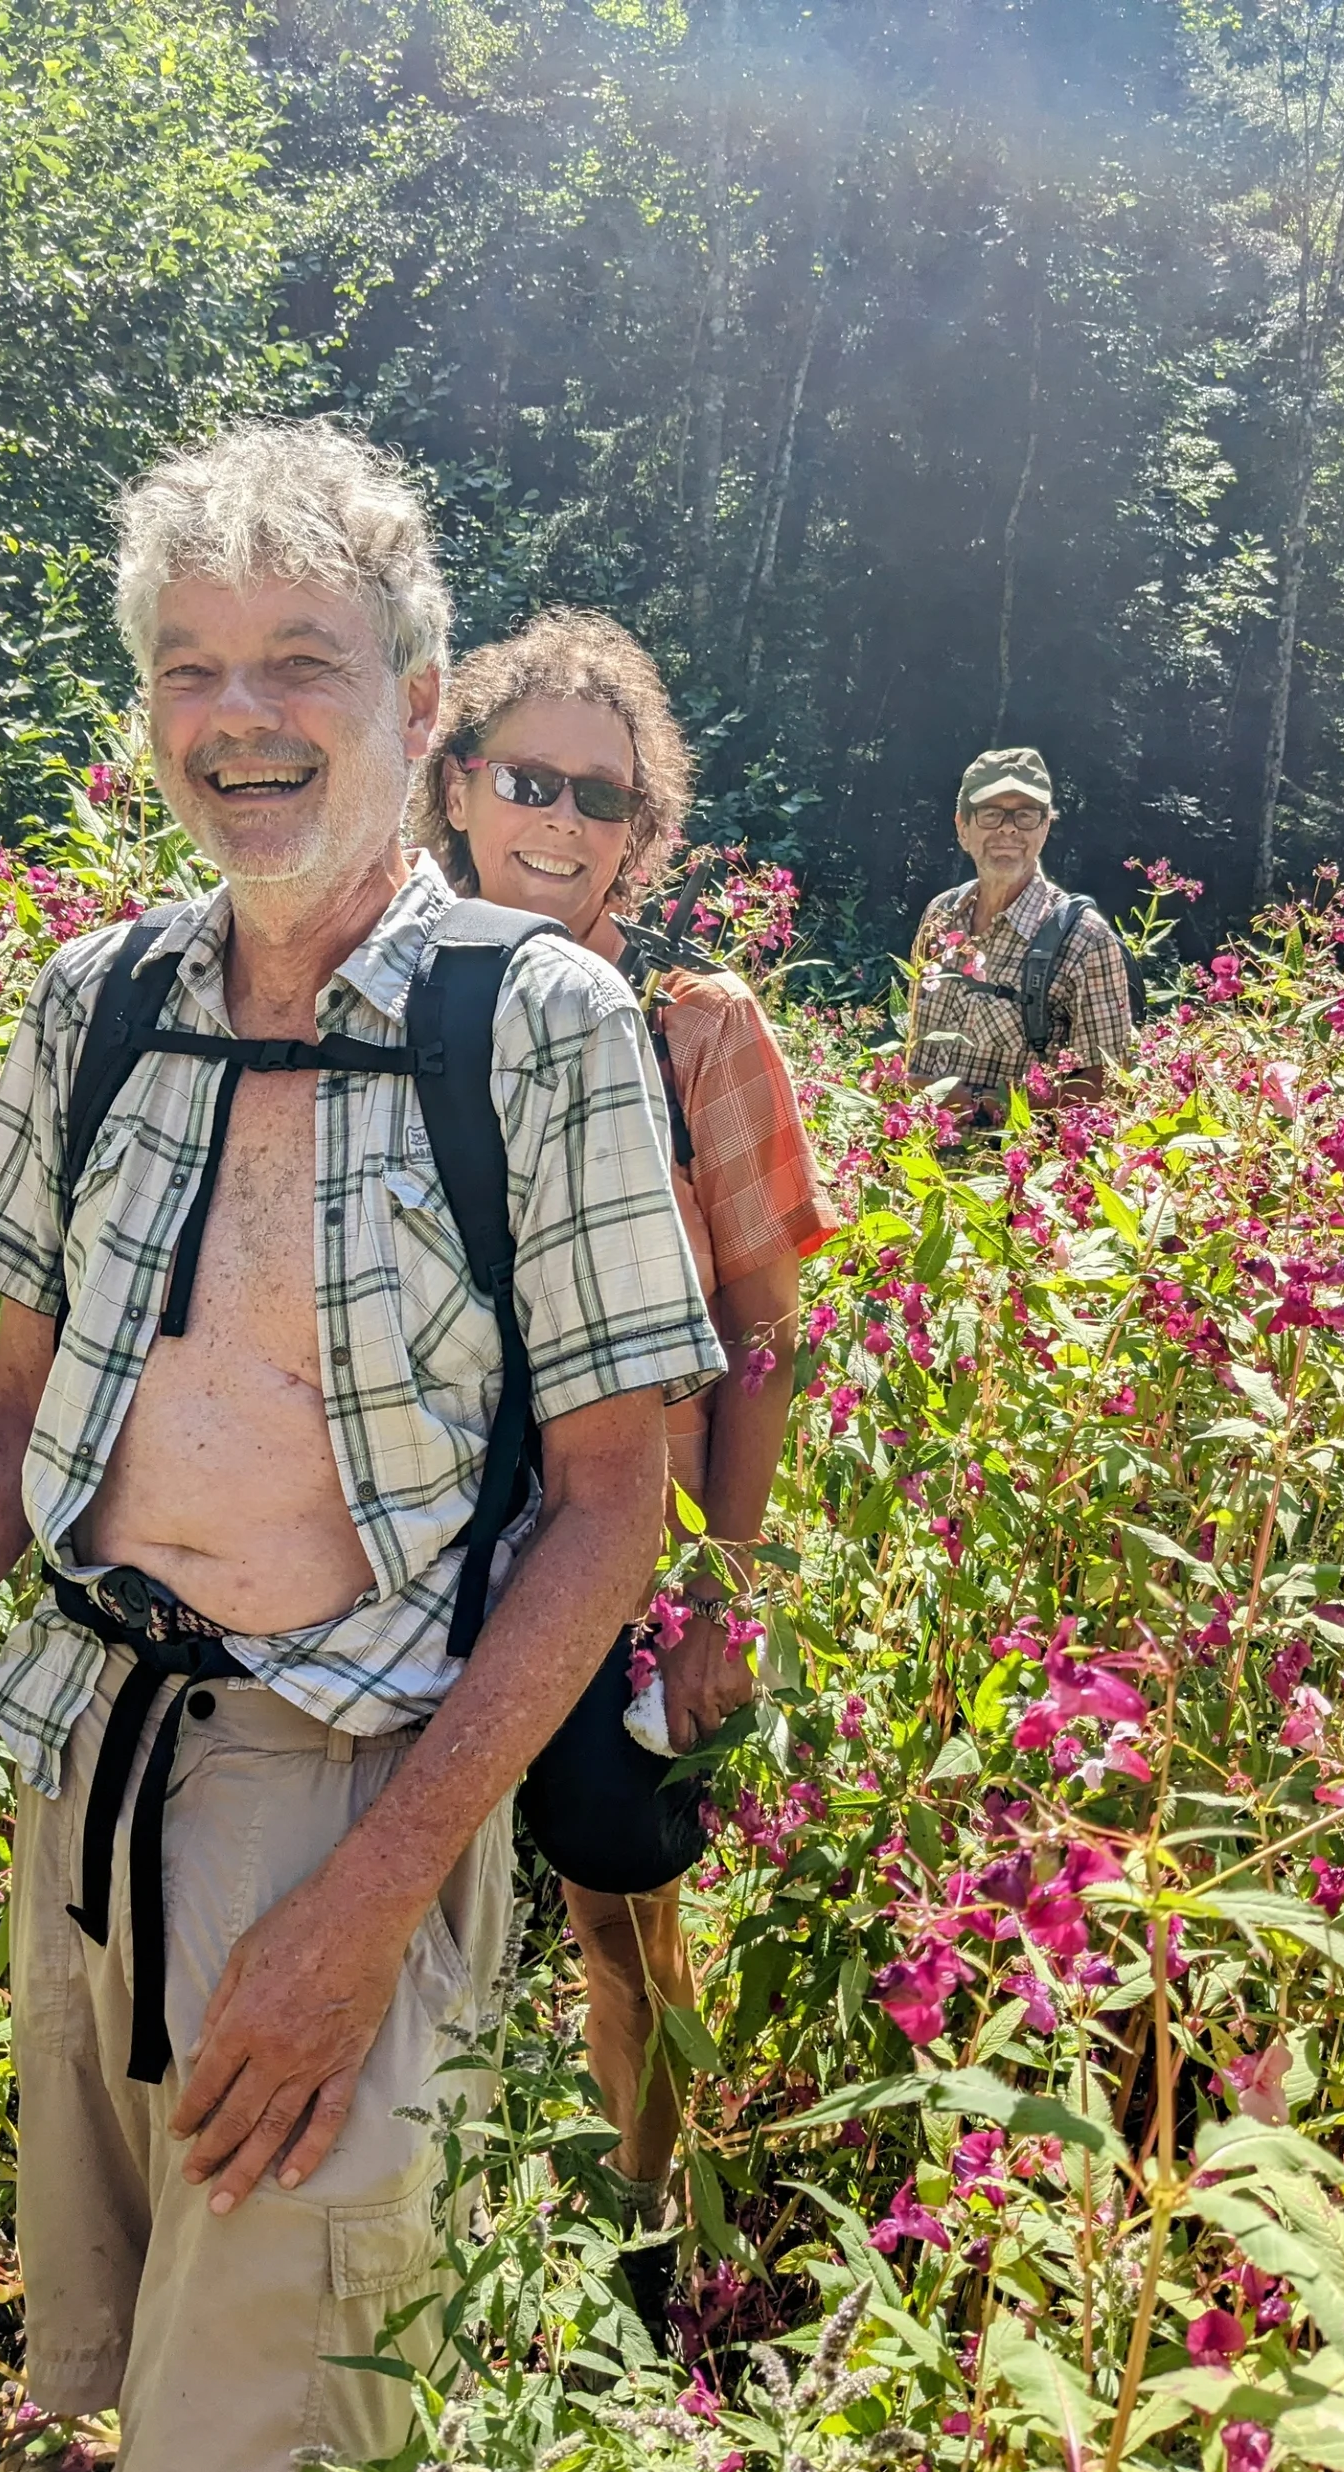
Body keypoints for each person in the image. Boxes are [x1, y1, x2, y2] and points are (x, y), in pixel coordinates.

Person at [0, 425, 725, 2472]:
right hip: (85, 1770)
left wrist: (358, 1917)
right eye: (190, 666)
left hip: (347, 1788)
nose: (240, 717)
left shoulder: (539, 1026)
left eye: (301, 661)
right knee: (112, 2379)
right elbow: (7, 1422)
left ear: (418, 708)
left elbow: (620, 1502)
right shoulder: (98, 1003)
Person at [413, 607, 834, 2314]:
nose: (562, 822)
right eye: (529, 778)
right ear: (454, 786)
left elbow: (765, 1329)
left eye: (605, 796)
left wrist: (721, 1603)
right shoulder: (369, 1008)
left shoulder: (694, 1035)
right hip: (407, 1556)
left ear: (648, 840)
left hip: (621, 1573)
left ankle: (651, 2245)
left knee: (618, 1911)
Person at [904, 745, 1136, 1117]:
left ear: (1044, 829)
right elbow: (916, 1044)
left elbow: (1109, 1087)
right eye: (991, 813)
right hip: (912, 1158)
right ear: (962, 827)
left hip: (1003, 1168)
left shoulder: (1083, 939)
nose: (1008, 828)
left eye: (1025, 815)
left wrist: (981, 1108)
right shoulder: (941, 914)